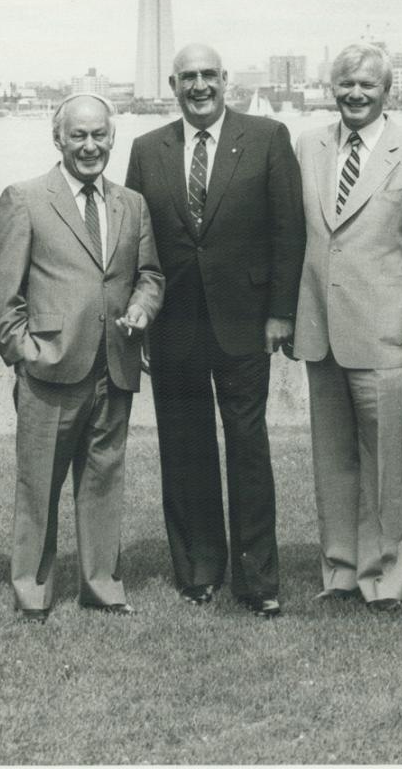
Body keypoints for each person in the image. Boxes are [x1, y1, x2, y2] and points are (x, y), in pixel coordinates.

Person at [124, 43, 304, 618]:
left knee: (248, 448)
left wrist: (280, 314)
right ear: (172, 85)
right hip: (174, 323)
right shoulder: (147, 149)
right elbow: (136, 240)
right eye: (187, 78)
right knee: (184, 447)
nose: (199, 86)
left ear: (225, 80)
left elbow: (288, 230)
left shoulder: (268, 137)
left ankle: (258, 579)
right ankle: (199, 568)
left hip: (245, 323)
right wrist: (143, 316)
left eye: (208, 76)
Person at [0, 94, 163, 623]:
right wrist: (24, 351)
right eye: (78, 136)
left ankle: (102, 585)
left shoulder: (131, 203)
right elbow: (3, 293)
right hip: (49, 368)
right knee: (38, 484)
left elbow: (150, 275)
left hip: (116, 364)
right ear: (57, 138)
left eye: (99, 136)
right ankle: (32, 590)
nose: (90, 146)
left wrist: (141, 308)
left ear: (112, 137)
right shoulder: (25, 198)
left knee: (104, 480)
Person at [291, 44, 402, 612]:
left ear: (388, 91)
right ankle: (338, 570)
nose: (356, 94)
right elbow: (299, 238)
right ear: (332, 88)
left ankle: (384, 575)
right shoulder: (308, 145)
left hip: (386, 333)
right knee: (331, 459)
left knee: (383, 461)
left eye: (367, 85)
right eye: (346, 84)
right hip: (320, 329)